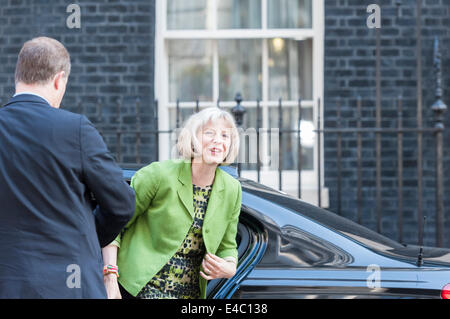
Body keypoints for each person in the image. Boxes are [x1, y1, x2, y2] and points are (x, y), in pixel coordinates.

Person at [0, 37, 135, 298]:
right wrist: (89, 235)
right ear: (59, 80)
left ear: (17, 76)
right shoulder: (75, 129)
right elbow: (121, 203)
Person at [102, 107, 242, 299]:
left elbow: (227, 245)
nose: (218, 140)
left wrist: (229, 267)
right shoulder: (158, 175)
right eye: (209, 133)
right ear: (193, 138)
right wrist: (110, 279)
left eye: (225, 135)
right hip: (138, 288)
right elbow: (114, 225)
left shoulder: (232, 189)